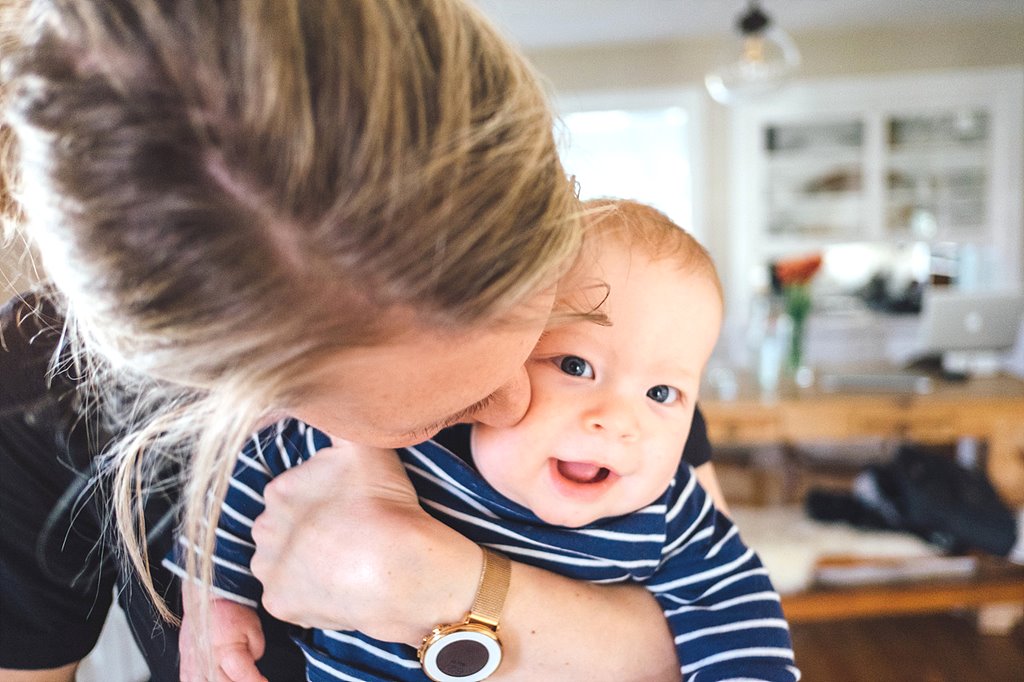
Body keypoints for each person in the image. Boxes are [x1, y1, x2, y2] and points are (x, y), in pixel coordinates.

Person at [0, 1, 727, 680]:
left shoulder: (619, 344)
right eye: (445, 409)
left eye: (543, 339)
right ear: (236, 393)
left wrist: (452, 591)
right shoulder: (33, 399)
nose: (519, 401)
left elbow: (721, 620)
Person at [176, 200, 798, 682]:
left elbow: (737, 610)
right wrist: (215, 601)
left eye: (662, 394)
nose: (618, 419)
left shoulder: (669, 511)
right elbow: (248, 473)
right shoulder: (409, 438)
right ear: (501, 348)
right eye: (575, 367)